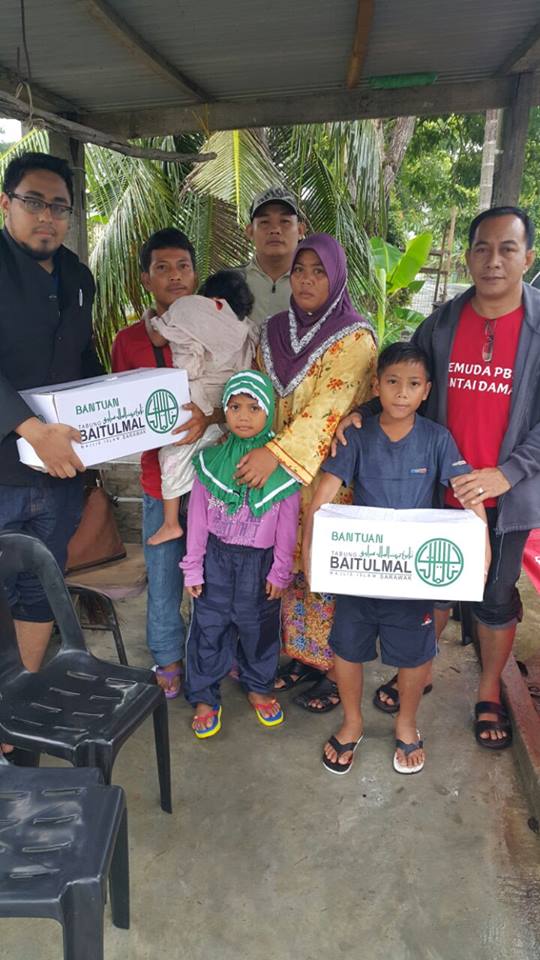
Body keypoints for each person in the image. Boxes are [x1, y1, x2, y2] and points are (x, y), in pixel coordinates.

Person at [333, 206, 539, 750]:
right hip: (431, 489)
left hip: (505, 493)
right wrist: (362, 414)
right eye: (482, 248)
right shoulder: (442, 324)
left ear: (528, 257)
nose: (493, 261)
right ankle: (415, 674)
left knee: (495, 597)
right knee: (428, 585)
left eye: (508, 249)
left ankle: (488, 690)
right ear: (469, 256)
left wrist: (507, 473)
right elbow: (403, 381)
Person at [304, 342, 489, 775]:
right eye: (392, 382)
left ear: (427, 391)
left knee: (414, 656)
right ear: (377, 386)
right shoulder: (357, 436)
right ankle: (352, 722)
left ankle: (406, 723)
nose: (402, 392)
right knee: (347, 650)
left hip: (411, 577)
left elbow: (467, 493)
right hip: (360, 570)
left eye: (413, 384)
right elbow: (323, 495)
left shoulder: (437, 439)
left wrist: (483, 544)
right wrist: (311, 550)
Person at [235, 233, 377, 714]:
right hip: (275, 475)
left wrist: (274, 454)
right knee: (289, 569)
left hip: (327, 478)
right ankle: (303, 658)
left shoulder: (354, 336)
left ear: (336, 277)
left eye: (319, 271)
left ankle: (336, 670)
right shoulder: (274, 330)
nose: (307, 280)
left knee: (326, 569)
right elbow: (256, 392)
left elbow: (327, 410)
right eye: (300, 270)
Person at [0, 151, 102, 707]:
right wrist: (31, 429)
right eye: (33, 202)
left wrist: (116, 417)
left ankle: (19, 704)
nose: (47, 216)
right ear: (6, 203)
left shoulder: (78, 276)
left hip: (60, 472)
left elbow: (83, 360)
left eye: (59, 206)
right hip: (4, 468)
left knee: (41, 586)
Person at [111, 228, 221, 699]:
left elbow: (244, 393)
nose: (175, 276)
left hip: (219, 478)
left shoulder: (219, 327)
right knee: (163, 574)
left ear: (196, 274)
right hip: (160, 481)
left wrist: (210, 417)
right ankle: (168, 656)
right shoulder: (129, 341)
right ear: (146, 278)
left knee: (214, 577)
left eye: (183, 266)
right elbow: (119, 411)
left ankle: (211, 653)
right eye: (162, 268)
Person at [181, 370, 301, 738]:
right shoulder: (211, 461)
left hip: (259, 564)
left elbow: (287, 527)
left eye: (254, 407)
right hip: (216, 559)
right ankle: (204, 695)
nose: (243, 416)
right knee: (208, 626)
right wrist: (193, 568)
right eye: (235, 407)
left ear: (269, 412)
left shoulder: (282, 471)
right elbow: (197, 520)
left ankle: (258, 686)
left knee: (259, 627)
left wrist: (280, 571)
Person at [145, 269, 257, 546]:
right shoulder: (246, 327)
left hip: (195, 401)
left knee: (171, 455)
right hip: (226, 410)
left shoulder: (191, 308)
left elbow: (158, 337)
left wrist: (150, 316)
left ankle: (170, 523)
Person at [238, 186, 305, 332]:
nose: (275, 230)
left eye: (285, 221)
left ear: (300, 230)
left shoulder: (315, 286)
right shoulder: (229, 283)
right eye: (264, 222)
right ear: (250, 231)